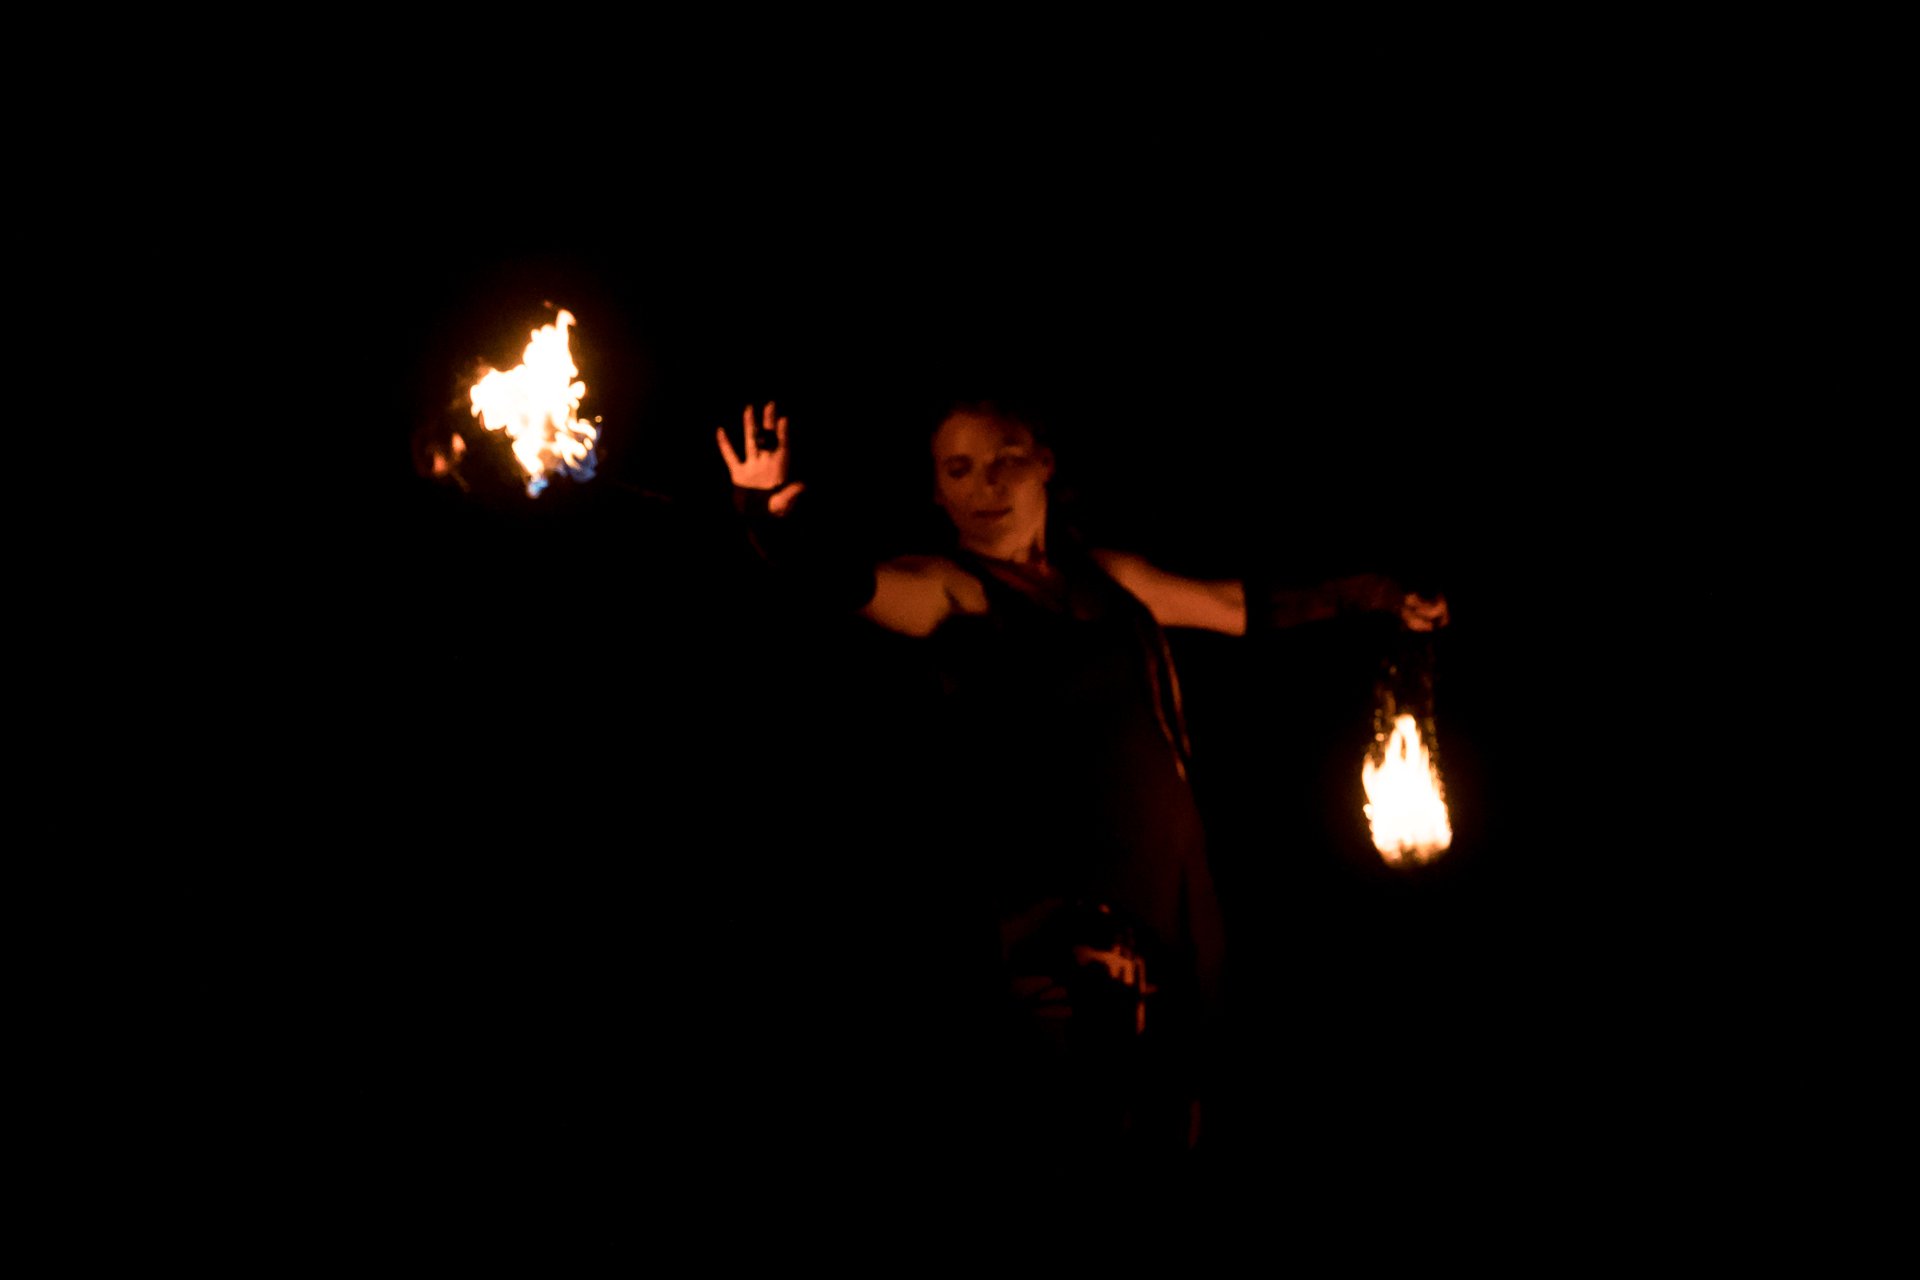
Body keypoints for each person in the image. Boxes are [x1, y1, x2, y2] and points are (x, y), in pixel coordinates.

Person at [717, 399, 1448, 1180]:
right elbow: (851, 584)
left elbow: (1236, 606)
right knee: (1085, 1132)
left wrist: (1377, 595)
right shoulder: (950, 587)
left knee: (1188, 1115)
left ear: (1045, 462)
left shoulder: (1109, 578)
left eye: (1005, 458)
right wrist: (771, 518)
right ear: (936, 492)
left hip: (1175, 892)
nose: (986, 484)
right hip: (1062, 920)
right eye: (959, 469)